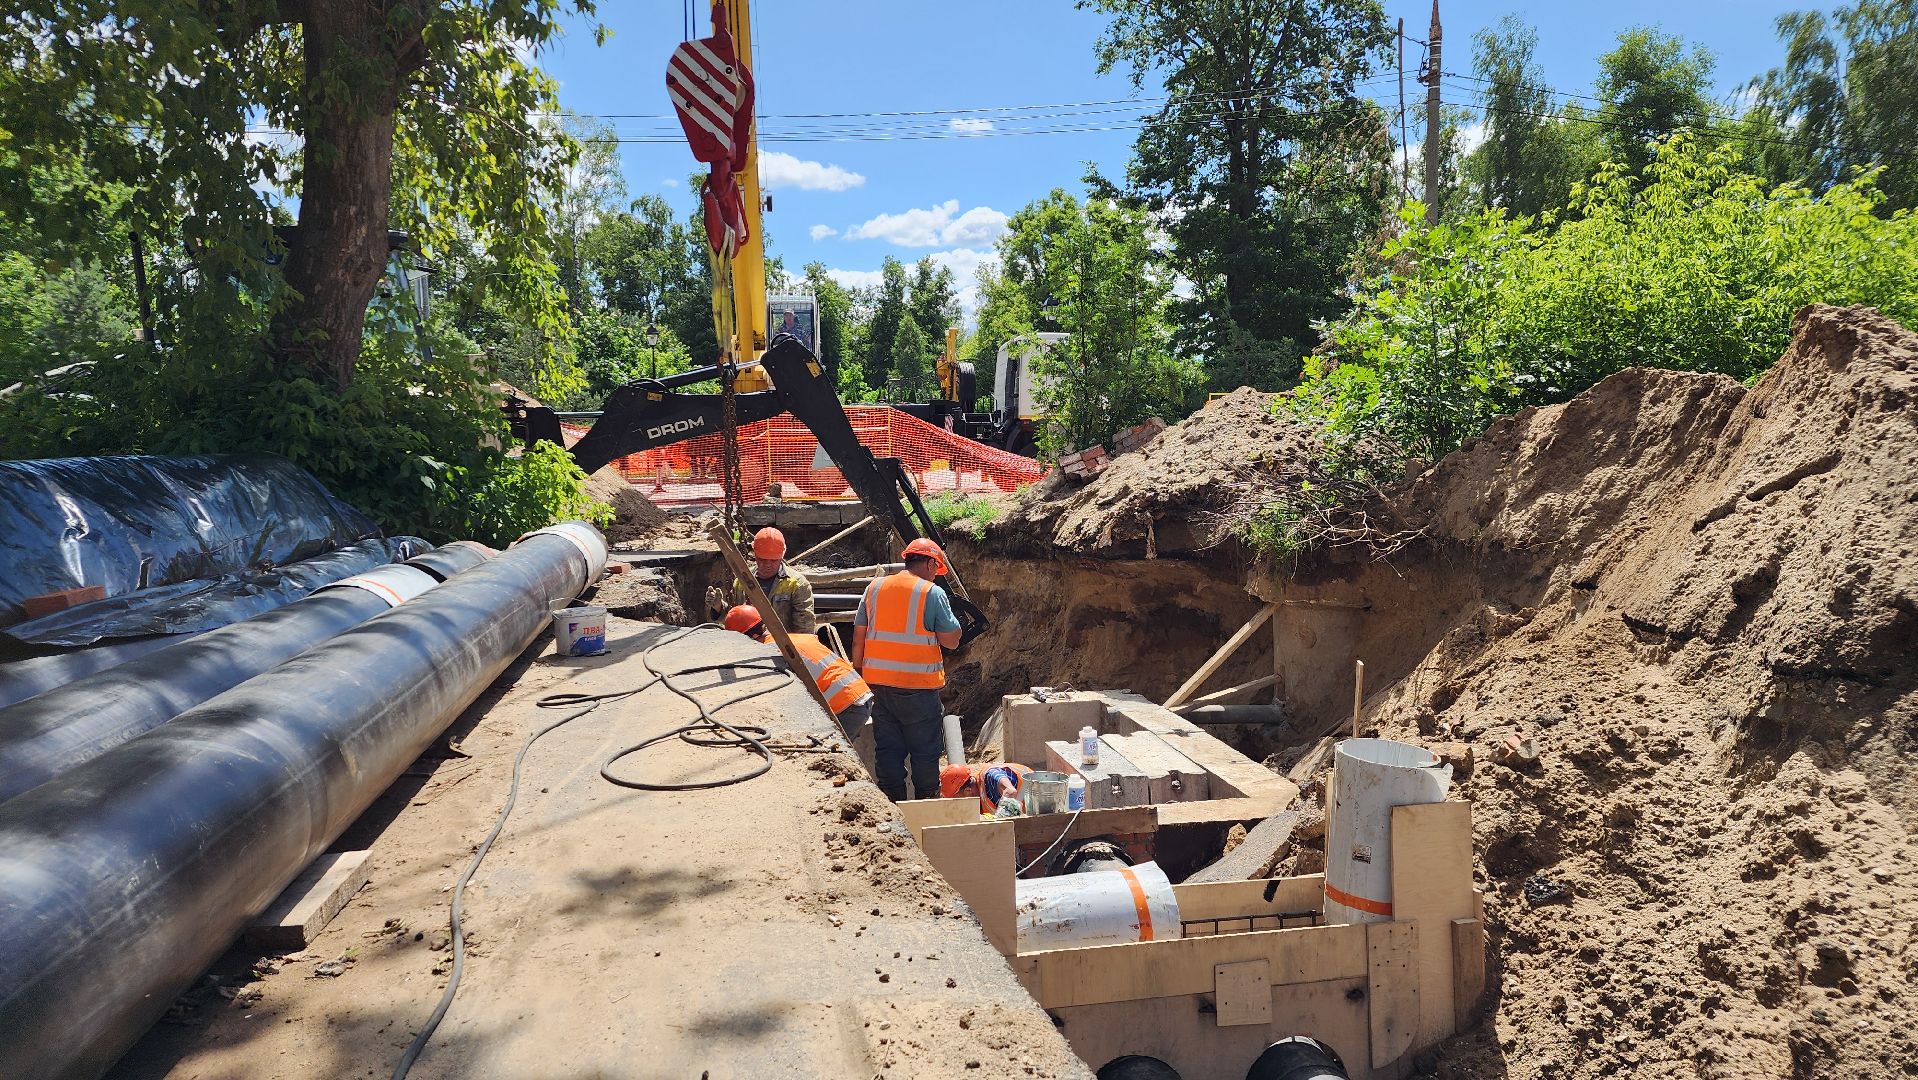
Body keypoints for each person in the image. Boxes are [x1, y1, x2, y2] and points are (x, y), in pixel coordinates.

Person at [851, 538, 962, 801]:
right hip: (918, 690)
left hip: (879, 687)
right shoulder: (931, 593)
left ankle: (893, 806)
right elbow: (951, 640)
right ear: (929, 563)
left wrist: (859, 672)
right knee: (925, 751)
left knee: (888, 749)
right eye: (935, 569)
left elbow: (859, 637)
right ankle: (926, 803)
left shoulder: (874, 588)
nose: (935, 576)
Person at [724, 605, 874, 773]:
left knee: (826, 758)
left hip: (845, 706)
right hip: (858, 695)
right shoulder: (792, 638)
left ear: (747, 637)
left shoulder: (772, 653)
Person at [708, 526, 816, 634]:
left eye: (773, 560)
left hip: (782, 648)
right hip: (751, 646)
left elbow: (805, 628)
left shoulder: (797, 584)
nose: (768, 565)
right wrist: (719, 608)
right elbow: (736, 618)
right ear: (755, 554)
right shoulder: (742, 581)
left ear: (782, 556)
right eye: (762, 559)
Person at [940, 762, 1031, 816]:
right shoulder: (979, 792)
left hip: (1040, 802)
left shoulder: (991, 776)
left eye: (958, 800)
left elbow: (1011, 791)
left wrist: (1000, 819)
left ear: (968, 791)